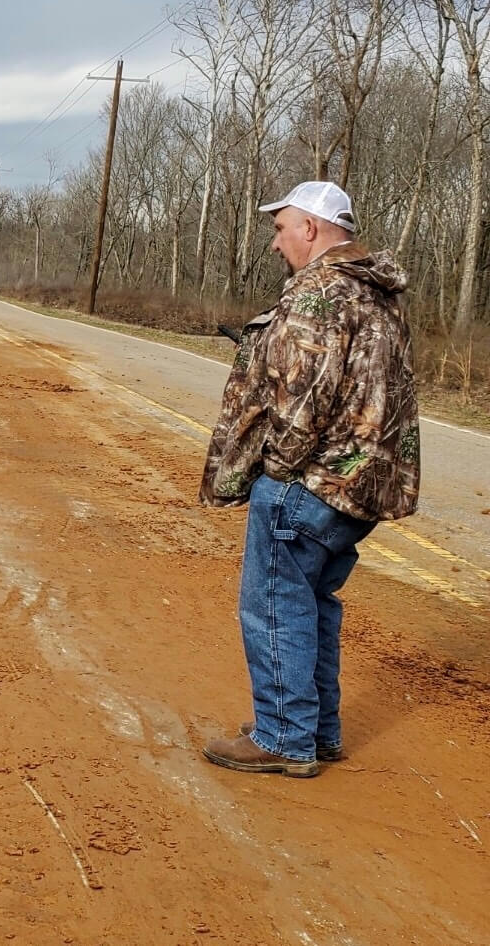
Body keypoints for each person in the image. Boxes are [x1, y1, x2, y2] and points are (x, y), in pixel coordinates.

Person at [199, 180, 420, 778]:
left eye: (281, 228)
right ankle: (318, 731)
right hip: (366, 486)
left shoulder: (319, 293)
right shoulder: (378, 293)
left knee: (274, 603)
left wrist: (274, 471)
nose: (275, 243)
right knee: (313, 603)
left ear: (312, 230)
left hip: (312, 481)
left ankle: (282, 738)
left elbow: (304, 399)